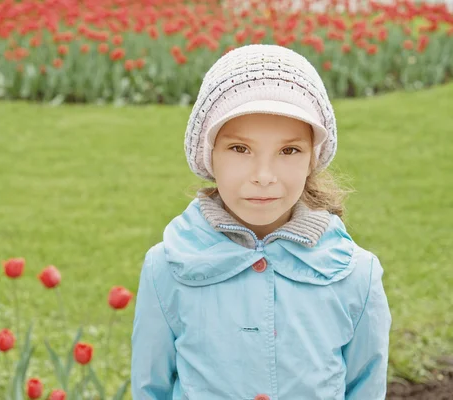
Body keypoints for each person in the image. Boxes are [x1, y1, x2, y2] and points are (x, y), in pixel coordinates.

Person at [130, 44, 392, 400]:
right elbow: (151, 388)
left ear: (312, 159)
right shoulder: (165, 268)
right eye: (240, 149)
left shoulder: (358, 276)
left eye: (289, 151)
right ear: (210, 155)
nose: (264, 176)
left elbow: (366, 387)